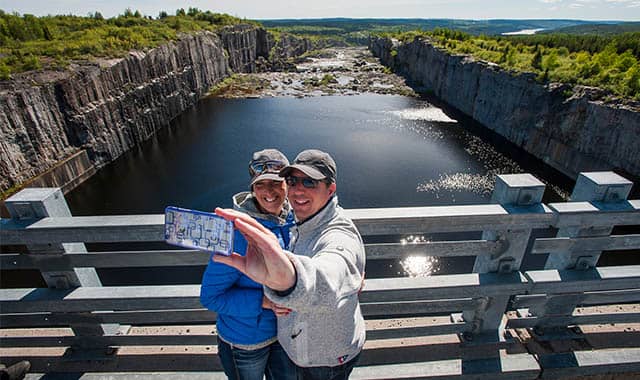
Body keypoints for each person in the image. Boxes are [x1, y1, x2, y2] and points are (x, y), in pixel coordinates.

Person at [215, 149, 366, 380]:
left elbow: (334, 265)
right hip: (269, 345)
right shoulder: (292, 222)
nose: (298, 189)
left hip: (323, 358)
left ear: (331, 188)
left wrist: (291, 280)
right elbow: (211, 296)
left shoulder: (333, 230)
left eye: (309, 181)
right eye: (293, 180)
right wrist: (265, 301)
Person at [200, 149, 298, 380]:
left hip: (285, 336)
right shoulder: (236, 232)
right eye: (261, 184)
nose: (269, 192)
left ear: (287, 185)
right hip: (245, 342)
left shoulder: (296, 222)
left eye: (276, 183)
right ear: (253, 189)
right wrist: (265, 302)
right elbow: (211, 297)